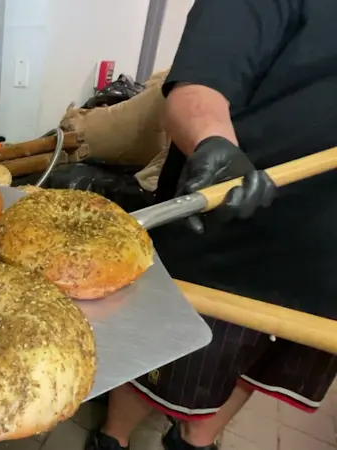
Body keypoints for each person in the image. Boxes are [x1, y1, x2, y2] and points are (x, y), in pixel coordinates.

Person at [85, 1, 337, 449]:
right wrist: (211, 140)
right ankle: (113, 437)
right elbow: (201, 81)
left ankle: (197, 438)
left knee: (259, 365)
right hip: (225, 228)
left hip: (323, 267)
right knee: (155, 352)